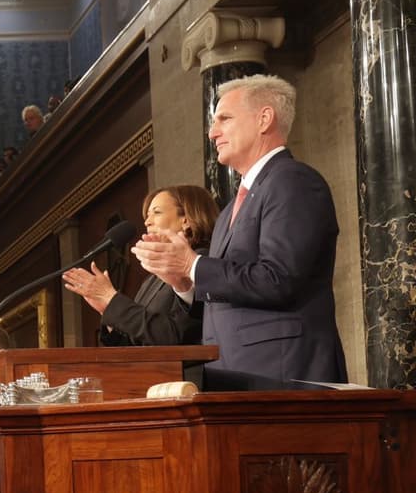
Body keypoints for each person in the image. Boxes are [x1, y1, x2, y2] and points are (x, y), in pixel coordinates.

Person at [132, 74, 347, 389]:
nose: (212, 132)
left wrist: (192, 265)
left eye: (224, 119)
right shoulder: (233, 206)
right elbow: (225, 294)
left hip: (284, 375)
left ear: (264, 119)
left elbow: (279, 279)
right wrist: (184, 283)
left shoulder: (293, 182)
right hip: (232, 376)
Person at [64, 186, 217, 347]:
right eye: (147, 215)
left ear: (186, 219)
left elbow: (174, 336)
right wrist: (107, 310)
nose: (147, 221)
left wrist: (111, 299)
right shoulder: (151, 280)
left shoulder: (202, 262)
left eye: (157, 212)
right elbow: (135, 346)